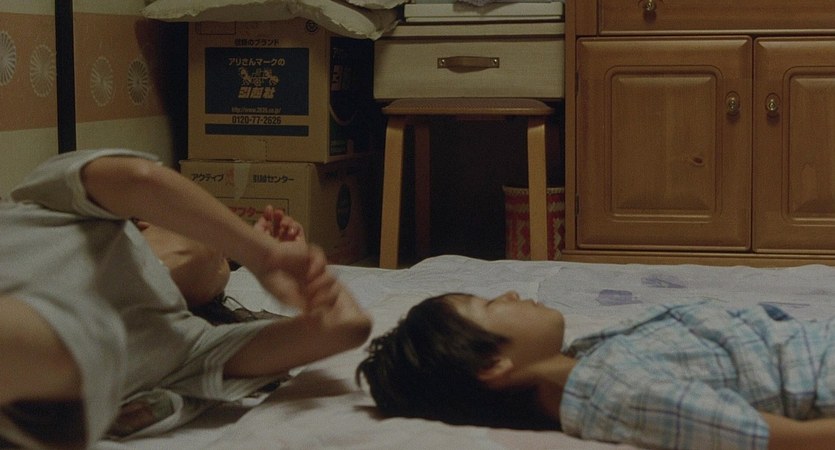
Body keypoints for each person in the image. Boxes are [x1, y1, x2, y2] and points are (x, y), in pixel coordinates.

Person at [0, 149, 372, 449]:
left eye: (231, 261)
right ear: (147, 221)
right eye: (222, 240)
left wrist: (307, 279)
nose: (228, 257)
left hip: (31, 369)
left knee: (86, 340)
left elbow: (346, 328)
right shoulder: (73, 211)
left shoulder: (186, 343)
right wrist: (261, 253)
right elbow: (141, 179)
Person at [356, 291, 835, 450]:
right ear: (493, 364)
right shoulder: (615, 394)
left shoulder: (584, 360)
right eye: (488, 304)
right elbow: (760, 435)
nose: (510, 294)